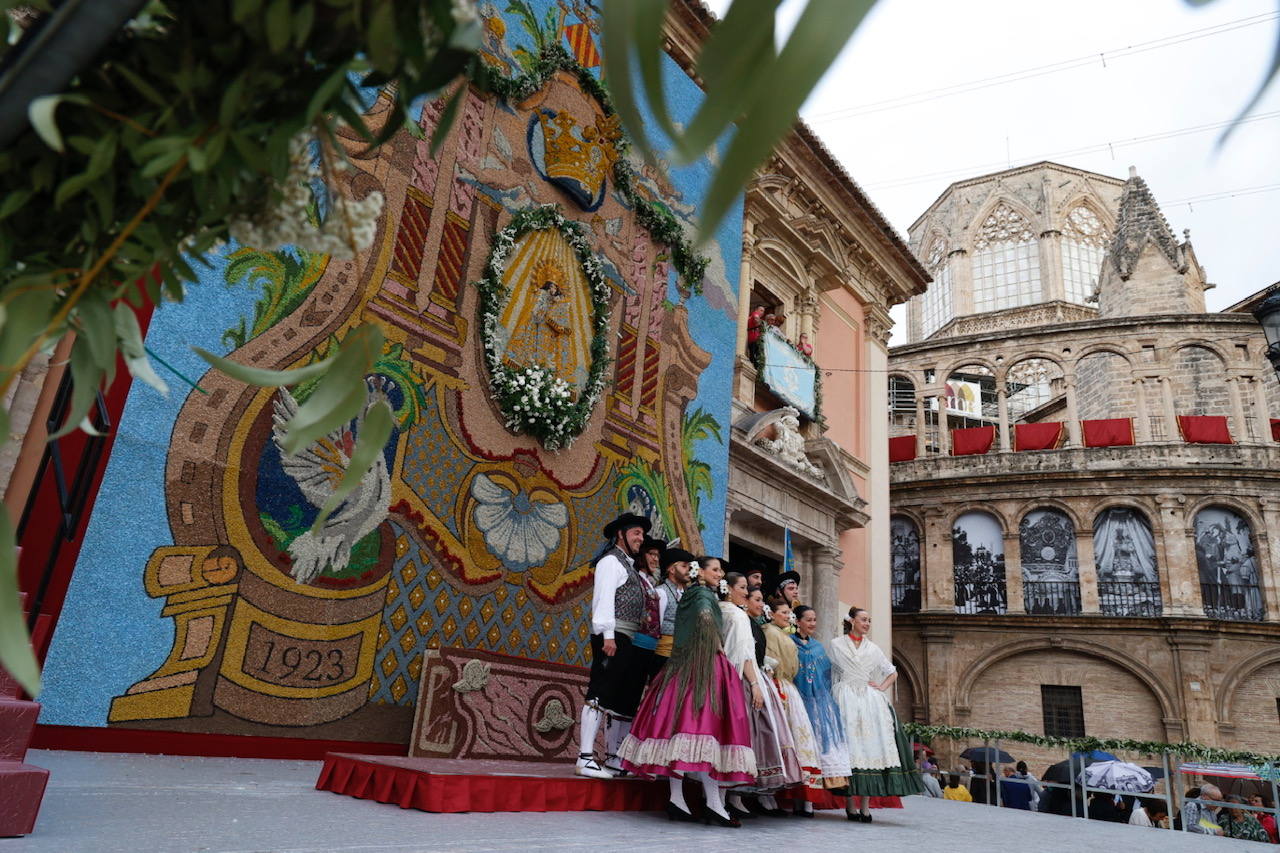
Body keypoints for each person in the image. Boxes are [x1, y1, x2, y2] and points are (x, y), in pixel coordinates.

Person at [618, 556, 756, 827]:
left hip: (684, 665)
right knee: (706, 732)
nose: (720, 574)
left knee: (682, 732)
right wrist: (717, 648)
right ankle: (713, 805)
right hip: (703, 666)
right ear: (700, 572)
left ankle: (678, 800)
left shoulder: (693, 594)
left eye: (720, 570)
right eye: (715, 569)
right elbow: (705, 624)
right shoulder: (703, 596)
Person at [830, 606, 923, 822]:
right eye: (863, 619)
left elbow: (892, 671)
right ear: (851, 620)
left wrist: (881, 687)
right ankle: (850, 804)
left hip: (869, 701)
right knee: (851, 748)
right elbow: (832, 673)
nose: (867, 623)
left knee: (871, 747)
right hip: (845, 698)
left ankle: (865, 806)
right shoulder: (836, 645)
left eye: (869, 620)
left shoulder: (873, 648)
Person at [577, 513, 653, 780]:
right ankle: (585, 757)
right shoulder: (611, 562)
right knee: (598, 694)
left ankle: (610, 757)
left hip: (624, 637)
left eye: (642, 535)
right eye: (636, 533)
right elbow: (604, 599)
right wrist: (608, 636)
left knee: (611, 698)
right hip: (612, 637)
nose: (640, 539)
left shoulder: (628, 565)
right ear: (621, 534)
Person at [763, 596, 824, 811]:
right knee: (784, 737)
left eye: (789, 613)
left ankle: (803, 795)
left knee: (799, 739)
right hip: (778, 684)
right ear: (771, 614)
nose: (787, 617)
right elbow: (770, 662)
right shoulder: (770, 632)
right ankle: (772, 793)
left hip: (789, 686)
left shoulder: (781, 633)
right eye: (784, 613)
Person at [791, 605, 850, 807]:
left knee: (816, 749)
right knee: (802, 751)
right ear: (797, 621)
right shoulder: (790, 644)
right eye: (808, 620)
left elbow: (825, 676)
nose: (813, 624)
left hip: (817, 704)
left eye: (815, 620)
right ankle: (797, 800)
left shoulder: (818, 647)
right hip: (797, 701)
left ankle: (809, 802)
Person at [650, 548, 694, 680]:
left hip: (683, 655)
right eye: (684, 566)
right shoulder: (661, 593)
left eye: (690, 566)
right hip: (663, 654)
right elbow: (656, 627)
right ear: (672, 570)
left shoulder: (688, 594)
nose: (689, 570)